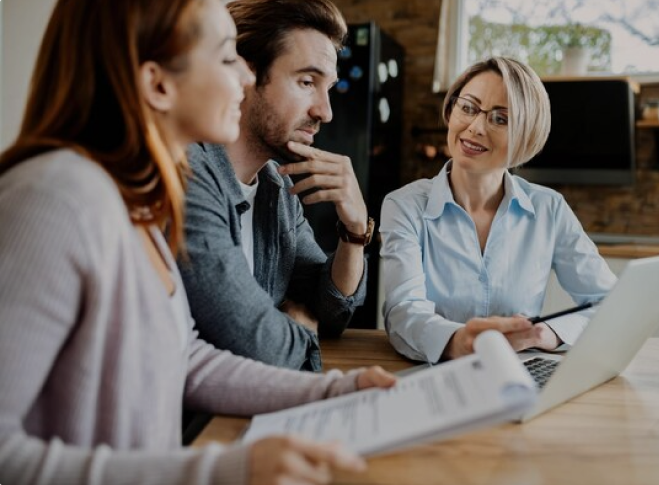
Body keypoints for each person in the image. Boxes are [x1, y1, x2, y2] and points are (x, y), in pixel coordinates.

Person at [0, 1, 395, 484]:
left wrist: (336, 390)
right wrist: (222, 470)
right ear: (158, 84)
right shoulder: (55, 198)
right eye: (229, 58)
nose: (246, 80)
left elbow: (189, 361)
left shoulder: (132, 201)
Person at [379, 57, 617, 363]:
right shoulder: (405, 205)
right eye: (468, 107)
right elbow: (402, 312)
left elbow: (608, 303)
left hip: (517, 376)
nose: (475, 127)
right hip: (432, 375)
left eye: (500, 119)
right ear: (451, 110)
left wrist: (548, 333)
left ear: (526, 135)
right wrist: (460, 340)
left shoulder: (549, 209)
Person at [179, 0, 373, 372]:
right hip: (196, 426)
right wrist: (300, 330)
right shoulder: (191, 173)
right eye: (306, 82)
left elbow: (331, 312)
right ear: (246, 76)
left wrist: (354, 232)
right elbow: (254, 344)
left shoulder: (277, 188)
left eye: (327, 87)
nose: (325, 111)